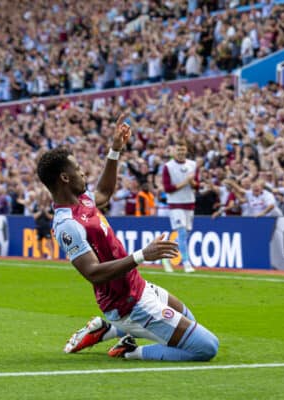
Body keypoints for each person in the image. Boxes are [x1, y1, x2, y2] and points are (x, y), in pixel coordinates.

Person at [36, 115, 218, 361]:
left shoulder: (83, 201)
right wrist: (143, 255)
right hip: (128, 304)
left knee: (191, 322)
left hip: (138, 287)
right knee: (206, 347)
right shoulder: (67, 224)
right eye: (77, 170)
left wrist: (115, 150)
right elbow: (93, 272)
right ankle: (130, 351)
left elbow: (104, 191)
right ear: (65, 178)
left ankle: (108, 329)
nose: (83, 173)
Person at [161, 139, 199, 273]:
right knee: (182, 232)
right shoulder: (168, 166)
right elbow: (168, 188)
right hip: (175, 204)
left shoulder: (193, 165)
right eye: (178, 150)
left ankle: (164, 257)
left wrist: (192, 182)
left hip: (189, 203)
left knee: (186, 233)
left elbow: (197, 186)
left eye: (183, 149)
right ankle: (186, 263)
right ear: (174, 151)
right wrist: (185, 182)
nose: (181, 152)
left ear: (186, 150)